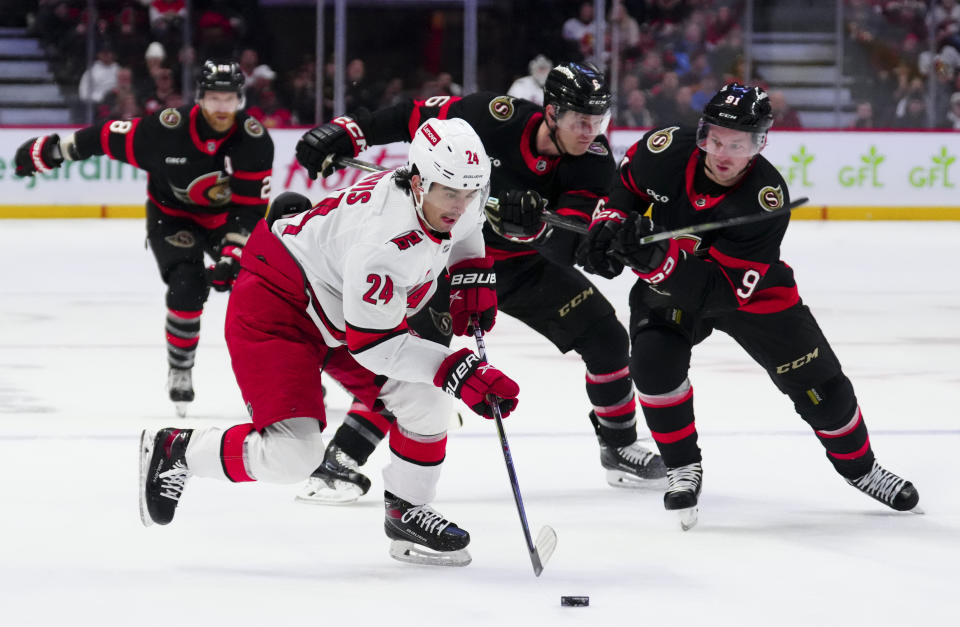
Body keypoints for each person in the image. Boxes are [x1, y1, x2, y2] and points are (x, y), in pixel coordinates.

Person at [139, 118, 520, 567]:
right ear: (417, 183)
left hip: (338, 308)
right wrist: (454, 370)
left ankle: (407, 510)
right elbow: (375, 345)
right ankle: (176, 449)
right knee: (293, 455)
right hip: (277, 306)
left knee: (426, 400)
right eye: (449, 193)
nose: (460, 205)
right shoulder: (382, 242)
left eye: (469, 192)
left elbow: (467, 228)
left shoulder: (457, 192)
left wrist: (469, 274)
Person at [294, 61, 666, 505]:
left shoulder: (594, 160)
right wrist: (352, 131)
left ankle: (620, 445)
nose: (590, 131)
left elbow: (570, 243)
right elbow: (416, 117)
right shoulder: (495, 115)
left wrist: (535, 231)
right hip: (445, 261)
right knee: (416, 359)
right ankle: (340, 460)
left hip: (522, 267)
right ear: (550, 111)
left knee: (605, 335)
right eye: (579, 119)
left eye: (597, 120)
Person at [575, 82, 921, 530]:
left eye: (737, 144)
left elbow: (720, 293)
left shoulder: (765, 199)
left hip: (747, 293)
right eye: (715, 139)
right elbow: (625, 190)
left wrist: (657, 261)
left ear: (759, 144)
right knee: (652, 364)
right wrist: (608, 227)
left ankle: (862, 469)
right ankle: (683, 467)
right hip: (667, 281)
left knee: (823, 386)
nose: (722, 153)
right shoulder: (663, 151)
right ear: (702, 133)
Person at [14, 59, 274, 417]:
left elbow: (249, 209)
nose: (222, 108)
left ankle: (291, 366)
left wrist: (231, 254)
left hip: (224, 221)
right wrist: (51, 150)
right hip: (172, 217)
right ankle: (181, 367)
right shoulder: (167, 129)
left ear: (240, 101)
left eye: (229, 100)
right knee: (187, 283)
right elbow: (105, 137)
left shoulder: (254, 141)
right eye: (214, 98)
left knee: (266, 284)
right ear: (200, 98)